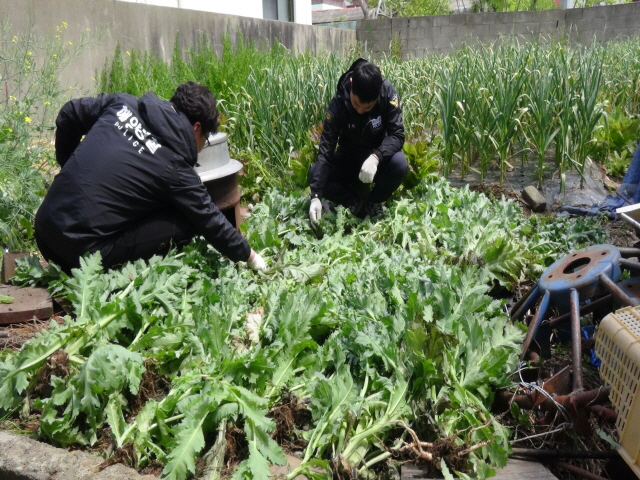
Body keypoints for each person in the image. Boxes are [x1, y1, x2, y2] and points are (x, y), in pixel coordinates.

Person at [34, 82, 266, 272]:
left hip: (44, 233)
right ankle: (121, 277)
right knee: (185, 220)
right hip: (80, 259)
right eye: (204, 140)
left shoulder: (123, 104)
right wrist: (251, 257)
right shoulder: (174, 166)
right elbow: (209, 219)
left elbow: (69, 113)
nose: (200, 148)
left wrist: (69, 168)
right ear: (196, 127)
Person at [308, 58, 407, 227]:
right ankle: (353, 202)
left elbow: (397, 135)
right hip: (348, 161)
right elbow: (326, 150)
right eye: (355, 104)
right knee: (314, 173)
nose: (360, 111)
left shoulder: (387, 93)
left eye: (367, 108)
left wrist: (377, 156)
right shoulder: (338, 102)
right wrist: (316, 196)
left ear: (377, 96)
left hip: (374, 162)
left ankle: (374, 202)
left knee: (400, 164)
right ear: (352, 83)